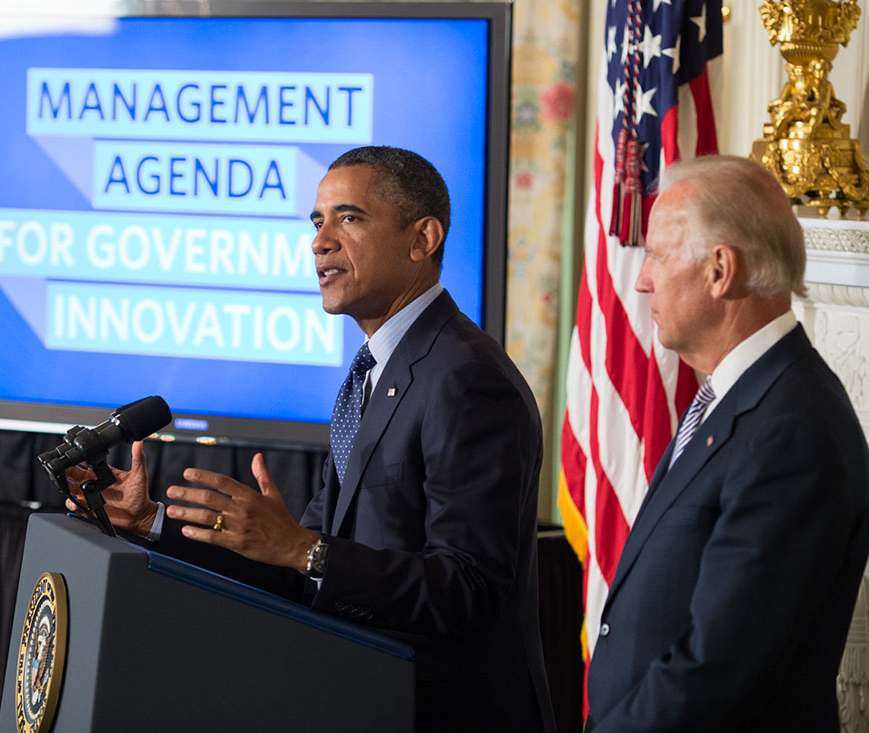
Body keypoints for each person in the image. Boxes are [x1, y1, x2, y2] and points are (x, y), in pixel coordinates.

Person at [67, 146, 555, 731]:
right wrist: (150, 521)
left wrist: (303, 548)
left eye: (348, 218)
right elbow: (303, 568)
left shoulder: (466, 377)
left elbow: (468, 589)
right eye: (316, 222)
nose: (321, 241)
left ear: (422, 239)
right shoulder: (374, 375)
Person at [585, 155, 869, 732]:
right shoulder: (735, 396)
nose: (641, 279)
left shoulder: (791, 430)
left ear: (720, 270)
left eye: (658, 256)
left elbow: (718, 669)